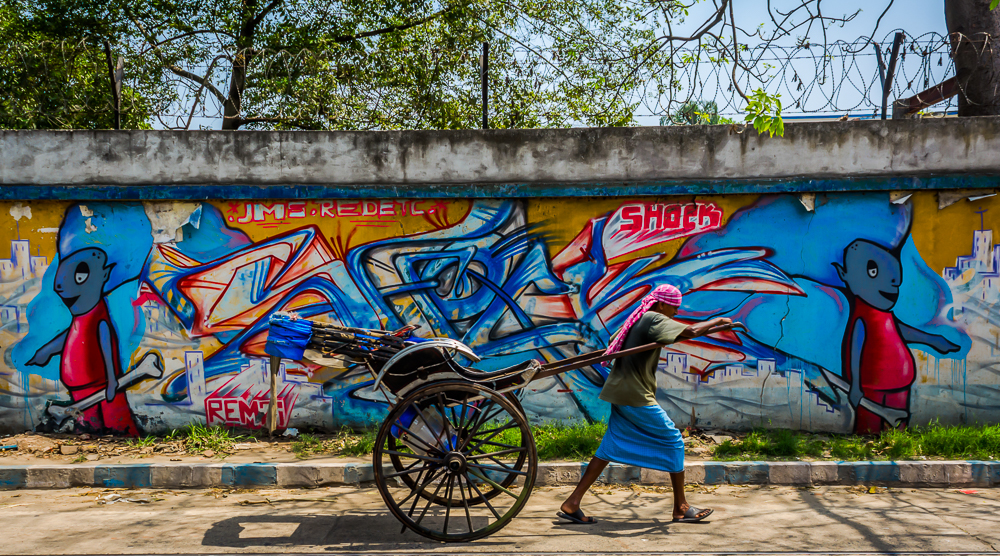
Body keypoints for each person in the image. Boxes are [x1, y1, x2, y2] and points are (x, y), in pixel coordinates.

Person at [557, 284, 743, 525]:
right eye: (674, 307)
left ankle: (572, 503)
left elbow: (617, 339)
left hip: (623, 391)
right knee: (674, 439)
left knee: (608, 448)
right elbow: (691, 330)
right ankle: (681, 507)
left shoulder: (639, 318)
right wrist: (717, 321)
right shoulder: (652, 318)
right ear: (662, 304)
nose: (675, 312)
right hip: (634, 394)